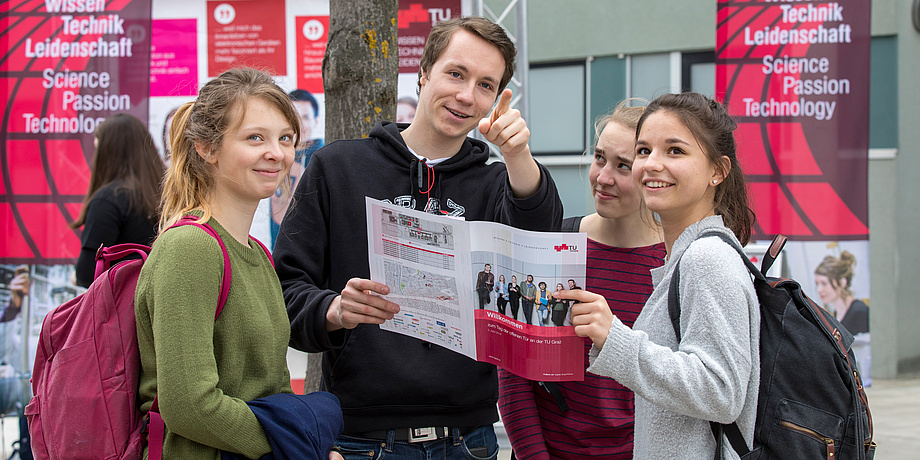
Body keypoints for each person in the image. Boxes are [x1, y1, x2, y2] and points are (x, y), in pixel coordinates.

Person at [273, 16, 563, 459]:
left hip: (470, 440)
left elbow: (542, 242)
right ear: (424, 72)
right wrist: (334, 309)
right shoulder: (337, 169)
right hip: (360, 439)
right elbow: (283, 296)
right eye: (456, 73)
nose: (467, 96)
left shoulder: (495, 184)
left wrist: (519, 156)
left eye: (486, 85)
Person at [134, 67, 342, 459]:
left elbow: (274, 388)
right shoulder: (190, 248)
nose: (277, 153)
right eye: (254, 138)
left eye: (284, 138)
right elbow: (189, 405)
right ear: (206, 148)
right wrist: (298, 446)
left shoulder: (257, 253)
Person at [554, 92, 760, 458]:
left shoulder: (707, 259)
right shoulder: (684, 256)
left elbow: (721, 392)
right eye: (645, 151)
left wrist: (614, 337)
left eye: (675, 151)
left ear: (718, 171)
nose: (652, 164)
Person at [499, 102, 665, 458]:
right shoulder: (555, 242)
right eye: (600, 158)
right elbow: (514, 375)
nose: (603, 177)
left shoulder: (673, 264)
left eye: (623, 166)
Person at [70, 113, 165, 288]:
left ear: (107, 154)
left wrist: (75, 278)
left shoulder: (109, 199)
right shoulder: (169, 194)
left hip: (126, 307)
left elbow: (86, 273)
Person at [814, 251, 868, 335]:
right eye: (817, 284)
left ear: (842, 282)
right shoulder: (836, 313)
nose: (819, 290)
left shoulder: (859, 311)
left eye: (824, 284)